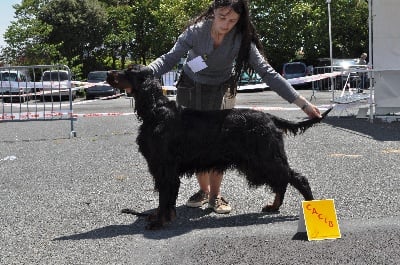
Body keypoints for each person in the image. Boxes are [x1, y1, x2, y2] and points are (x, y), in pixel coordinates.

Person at [137, 0, 321, 214]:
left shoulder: (242, 38)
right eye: (222, 17)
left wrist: (302, 103)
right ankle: (203, 191)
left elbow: (267, 73)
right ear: (213, 12)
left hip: (221, 88)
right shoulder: (195, 32)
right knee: (193, 142)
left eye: (232, 20)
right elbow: (168, 59)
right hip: (190, 86)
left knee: (220, 143)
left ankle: (216, 195)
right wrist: (143, 74)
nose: (226, 24)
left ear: (239, 20)